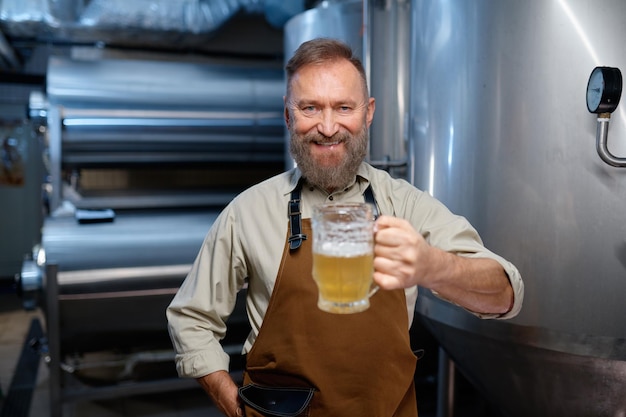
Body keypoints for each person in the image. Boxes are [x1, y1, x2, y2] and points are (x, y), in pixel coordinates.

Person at [167, 37, 524, 417]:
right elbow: (191, 318)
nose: (327, 126)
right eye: (310, 108)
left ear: (368, 112)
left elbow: (505, 294)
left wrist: (432, 266)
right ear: (288, 116)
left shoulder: (405, 205)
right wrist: (232, 404)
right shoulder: (248, 211)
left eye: (343, 107)